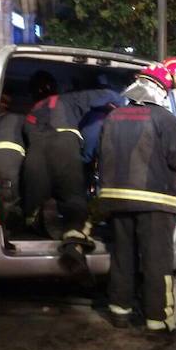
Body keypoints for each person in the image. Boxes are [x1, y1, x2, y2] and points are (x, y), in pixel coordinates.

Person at [98, 64, 176, 338]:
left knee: (123, 258)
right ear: (161, 89)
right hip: (154, 202)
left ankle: (120, 312)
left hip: (116, 200)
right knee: (156, 262)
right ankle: (158, 319)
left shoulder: (113, 116)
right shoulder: (164, 118)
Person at [23, 75, 124, 273]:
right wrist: (125, 104)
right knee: (73, 199)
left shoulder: (30, 112)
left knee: (34, 201)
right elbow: (109, 96)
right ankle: (72, 243)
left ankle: (38, 221)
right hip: (65, 145)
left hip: (35, 151)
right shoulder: (70, 99)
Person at [0, 93, 26, 234]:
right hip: (10, 160)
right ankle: (7, 230)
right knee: (8, 195)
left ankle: (4, 228)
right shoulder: (20, 118)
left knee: (2, 194)